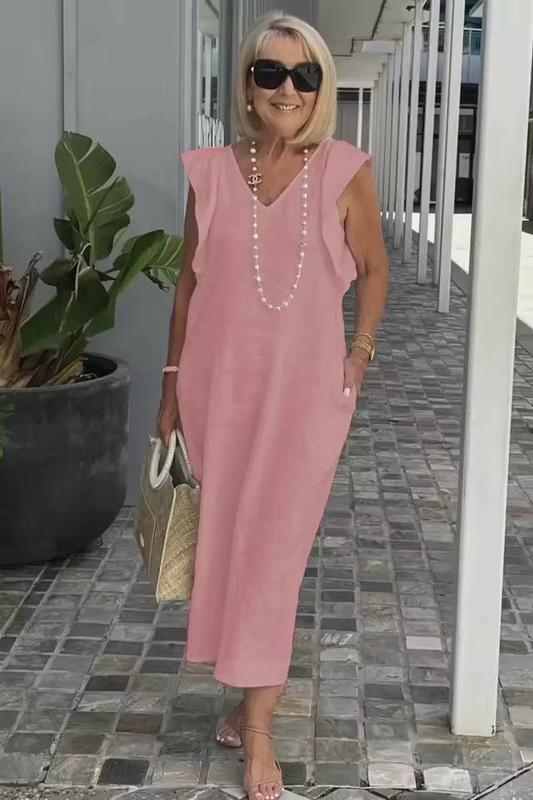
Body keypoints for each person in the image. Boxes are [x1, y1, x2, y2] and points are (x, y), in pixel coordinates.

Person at [158, 12, 389, 800]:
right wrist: (169, 384)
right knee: (230, 546)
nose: (286, 89)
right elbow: (188, 284)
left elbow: (375, 268)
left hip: (304, 401)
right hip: (216, 393)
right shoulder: (210, 172)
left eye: (304, 75)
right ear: (248, 84)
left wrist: (358, 354)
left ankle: (257, 730)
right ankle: (247, 694)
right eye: (269, 73)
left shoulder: (346, 170)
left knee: (274, 554)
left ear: (321, 87)